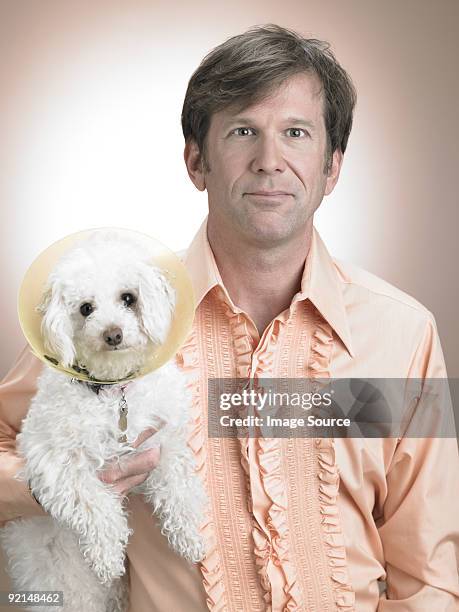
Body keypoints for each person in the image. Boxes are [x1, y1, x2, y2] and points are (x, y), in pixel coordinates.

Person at [1, 24, 458, 611]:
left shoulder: (405, 336)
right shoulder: (112, 321)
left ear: (333, 166)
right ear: (197, 161)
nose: (270, 161)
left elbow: (429, 574)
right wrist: (61, 484)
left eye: (296, 133)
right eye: (244, 131)